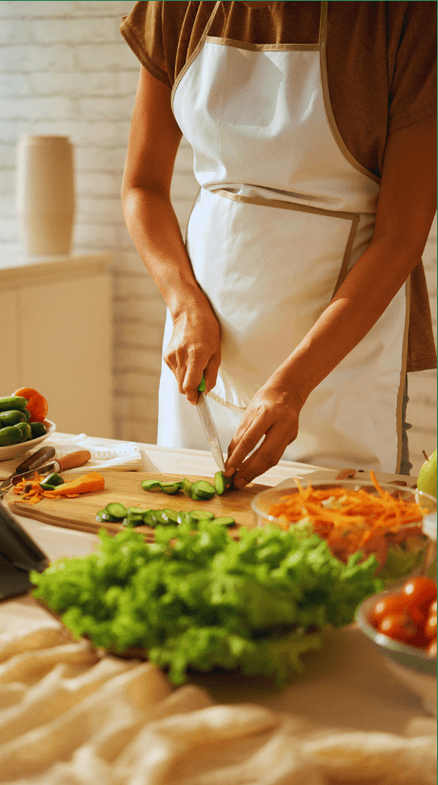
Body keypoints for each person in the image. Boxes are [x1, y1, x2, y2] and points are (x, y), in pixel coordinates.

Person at [120, 1, 437, 485]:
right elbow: (142, 187)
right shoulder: (176, 7)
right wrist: (183, 304)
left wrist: (292, 386)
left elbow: (401, 235)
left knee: (338, 537)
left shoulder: (407, 17)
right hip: (205, 346)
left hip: (342, 364)